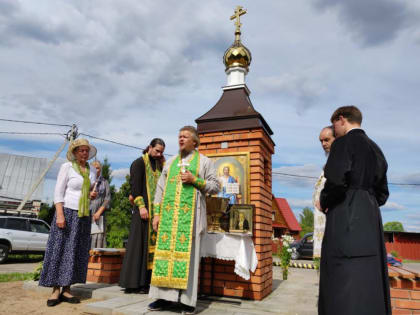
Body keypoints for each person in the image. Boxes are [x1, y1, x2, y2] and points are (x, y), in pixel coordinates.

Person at [318, 106, 391, 315]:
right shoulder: (376, 149)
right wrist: (365, 202)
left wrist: (324, 200)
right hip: (370, 218)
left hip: (344, 216)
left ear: (341, 120)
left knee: (342, 279)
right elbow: (383, 194)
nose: (334, 130)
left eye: (334, 125)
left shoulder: (342, 144)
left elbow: (336, 181)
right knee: (369, 279)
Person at [148, 126, 220, 314]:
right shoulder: (170, 163)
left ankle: (187, 301)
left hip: (192, 219)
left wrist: (195, 180)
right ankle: (163, 298)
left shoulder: (204, 162)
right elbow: (160, 190)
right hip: (169, 220)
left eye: (185, 137)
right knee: (164, 258)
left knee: (189, 260)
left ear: (194, 142)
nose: (181, 139)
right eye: (179, 136)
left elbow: (215, 187)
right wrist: (156, 214)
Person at [39, 138, 97, 307]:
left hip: (84, 215)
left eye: (87, 151)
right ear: (74, 152)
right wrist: (59, 215)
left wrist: (91, 196)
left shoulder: (92, 170)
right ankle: (55, 290)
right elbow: (58, 192)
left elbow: (88, 192)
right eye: (81, 150)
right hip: (67, 212)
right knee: (61, 249)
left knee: (76, 251)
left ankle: (67, 288)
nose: (84, 153)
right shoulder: (67, 167)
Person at [119, 138, 165, 294]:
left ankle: (145, 282)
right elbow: (135, 187)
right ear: (150, 147)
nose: (159, 154)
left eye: (161, 152)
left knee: (148, 248)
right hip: (143, 211)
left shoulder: (159, 165)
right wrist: (141, 206)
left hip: (155, 213)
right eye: (157, 150)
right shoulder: (139, 163)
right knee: (138, 247)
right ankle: (133, 284)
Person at [312, 126, 335, 259]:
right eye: (321, 141)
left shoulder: (339, 160)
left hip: (332, 224)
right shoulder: (329, 162)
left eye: (327, 140)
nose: (323, 144)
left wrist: (324, 202)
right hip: (323, 224)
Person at [90, 160, 111, 249]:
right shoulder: (86, 180)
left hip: (99, 214)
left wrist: (99, 212)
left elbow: (107, 198)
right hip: (87, 212)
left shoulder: (104, 182)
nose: (96, 170)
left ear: (100, 169)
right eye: (93, 168)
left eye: (97, 168)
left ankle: (97, 260)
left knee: (98, 236)